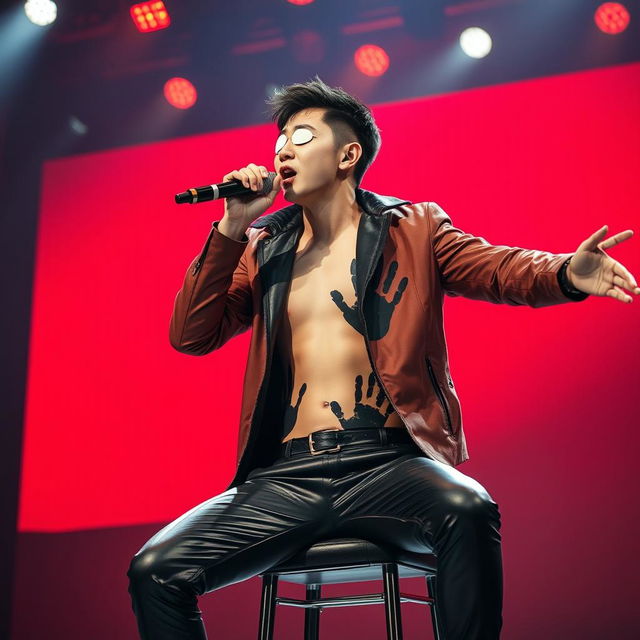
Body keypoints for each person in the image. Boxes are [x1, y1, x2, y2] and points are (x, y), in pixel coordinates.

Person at [126, 76, 639, 640]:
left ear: (348, 154)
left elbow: (499, 268)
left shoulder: (413, 228)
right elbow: (191, 334)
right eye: (278, 139)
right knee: (156, 571)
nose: (281, 149)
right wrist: (231, 226)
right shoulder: (261, 244)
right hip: (286, 476)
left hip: (387, 464)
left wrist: (567, 271)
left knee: (468, 510)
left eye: (300, 135)